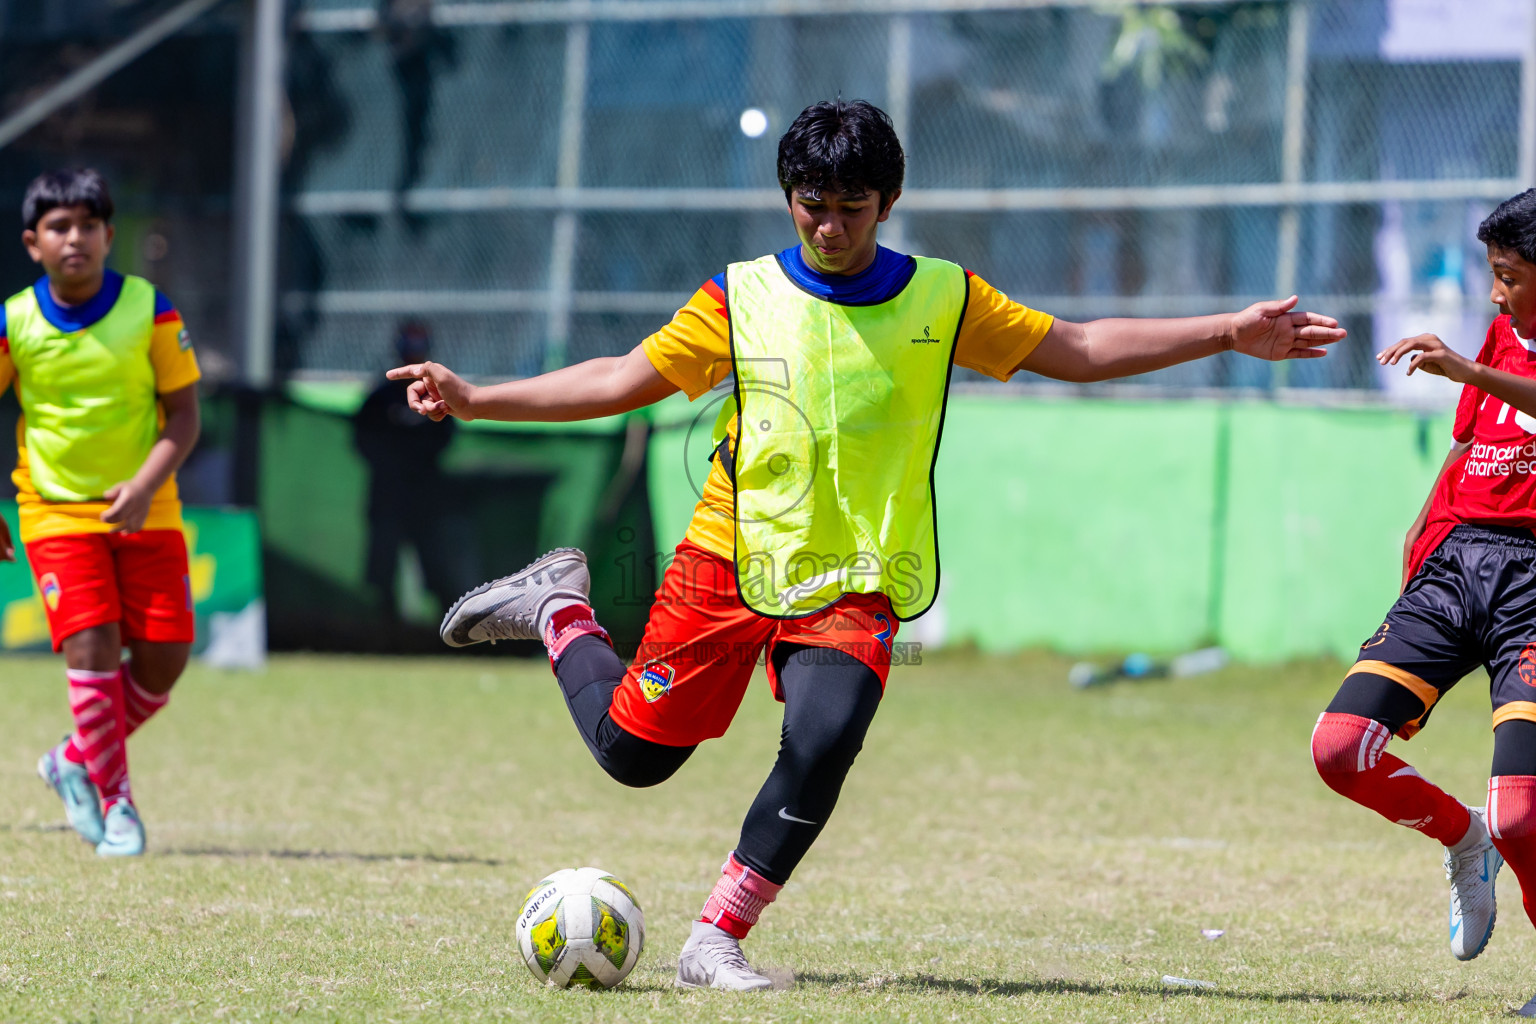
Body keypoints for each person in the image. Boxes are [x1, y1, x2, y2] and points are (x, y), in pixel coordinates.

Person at [388, 100, 1345, 989]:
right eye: (814, 206)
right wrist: (478, 399)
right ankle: (560, 607)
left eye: (853, 208)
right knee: (634, 759)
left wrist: (1226, 331)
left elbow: (1081, 349)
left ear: (889, 203)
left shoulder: (945, 298)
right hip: (729, 560)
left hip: (859, 577)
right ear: (788, 199)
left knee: (827, 733)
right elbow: (619, 378)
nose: (831, 227)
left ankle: (714, 939)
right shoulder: (740, 297)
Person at [1312, 188, 1536, 969]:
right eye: (1494, 273)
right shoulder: (1503, 332)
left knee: (1526, 814)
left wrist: (1466, 365)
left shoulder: (1491, 350)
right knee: (1341, 747)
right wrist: (1426, 522)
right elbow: (1469, 441)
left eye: (1508, 274)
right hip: (1458, 562)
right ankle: (1464, 839)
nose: (1496, 292)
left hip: (1532, 583)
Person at [1, 169, 201, 857]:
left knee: (165, 659)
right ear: (33, 243)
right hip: (55, 514)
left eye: (88, 225)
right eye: (59, 227)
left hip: (148, 509)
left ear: (110, 236)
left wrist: (146, 485)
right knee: (91, 645)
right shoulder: (13, 321)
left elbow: (184, 413)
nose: (75, 238)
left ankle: (71, 758)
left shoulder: (151, 309)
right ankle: (117, 803)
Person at [354, 320, 459, 618]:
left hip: (424, 497)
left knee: (435, 564)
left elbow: (446, 438)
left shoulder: (438, 394)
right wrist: (392, 463)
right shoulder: (380, 398)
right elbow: (361, 441)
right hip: (387, 495)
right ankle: (384, 631)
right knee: (382, 566)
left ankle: (448, 633)